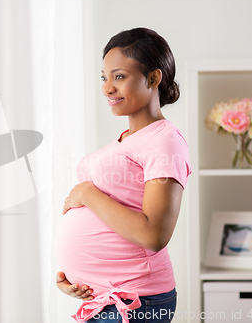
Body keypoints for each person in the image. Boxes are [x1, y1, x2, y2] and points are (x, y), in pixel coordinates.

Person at [54, 27, 191, 323]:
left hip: (136, 302)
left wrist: (86, 194)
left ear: (153, 78)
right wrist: (81, 277)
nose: (107, 88)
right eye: (104, 78)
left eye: (119, 77)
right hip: (105, 298)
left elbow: (153, 235)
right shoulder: (129, 139)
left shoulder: (165, 140)